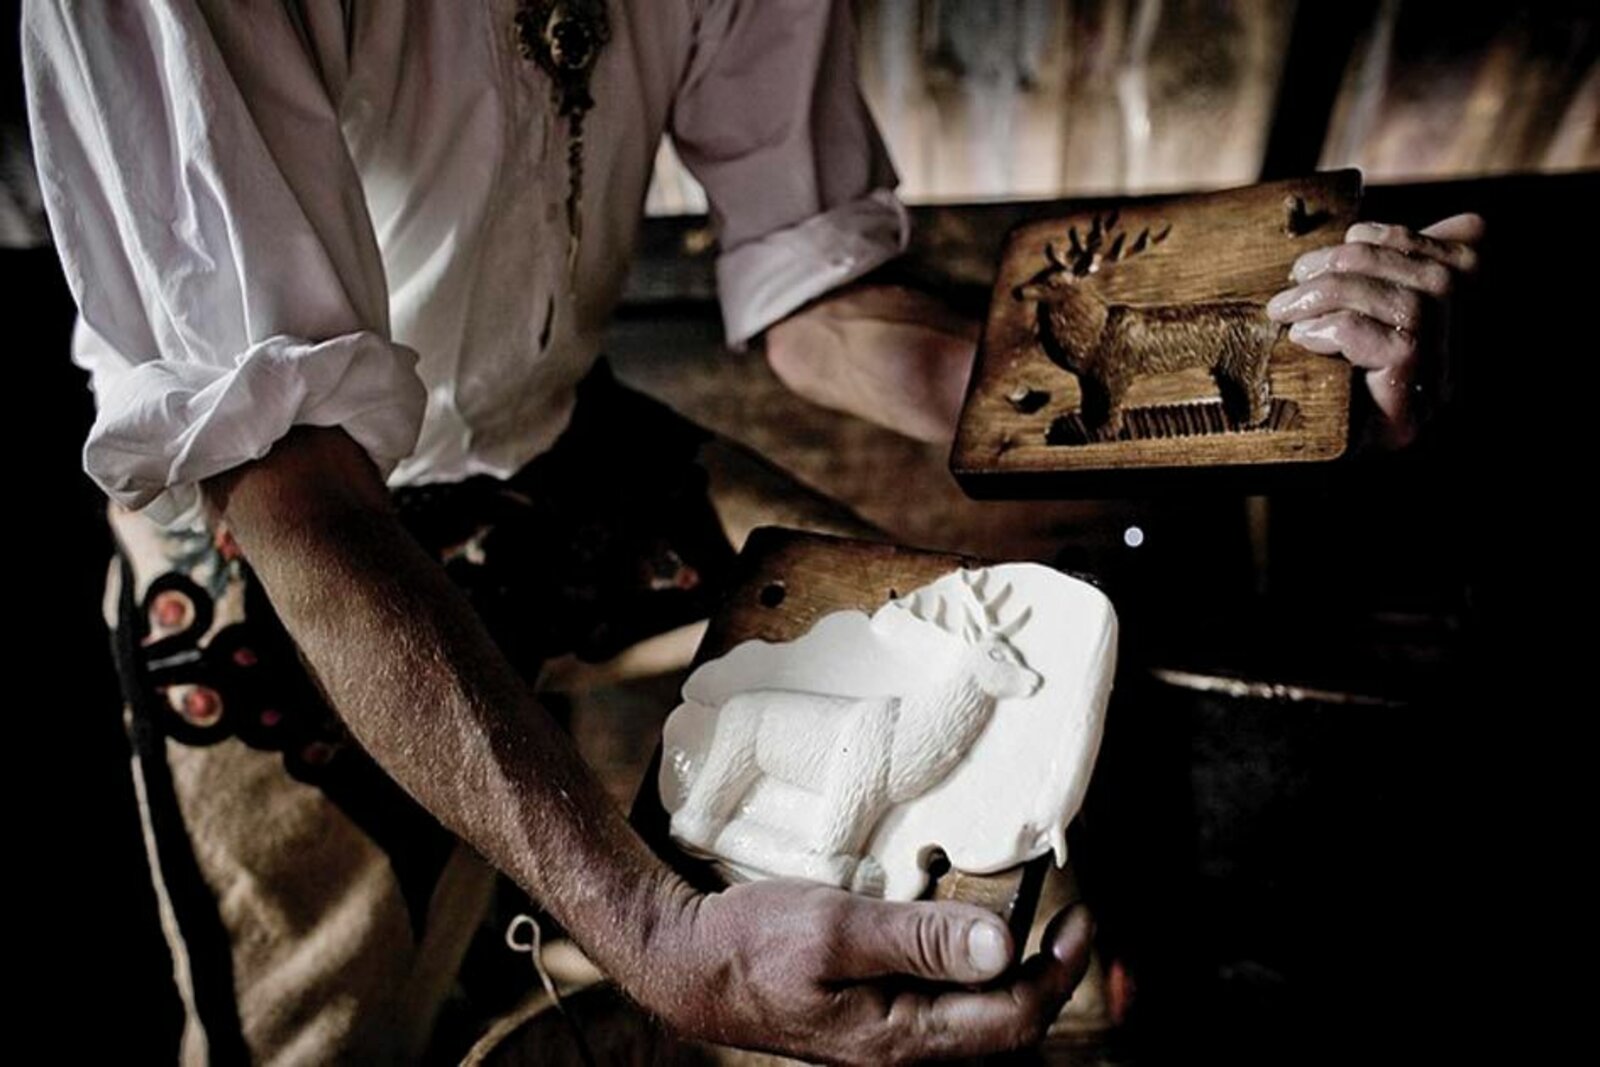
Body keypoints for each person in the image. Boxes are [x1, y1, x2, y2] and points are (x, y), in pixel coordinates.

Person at [23, 1, 1482, 1062]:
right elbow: (286, 467)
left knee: (975, 699)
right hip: (282, 511)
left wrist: (1285, 390)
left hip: (560, 441)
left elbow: (814, 299)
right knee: (316, 1034)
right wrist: (650, 934)